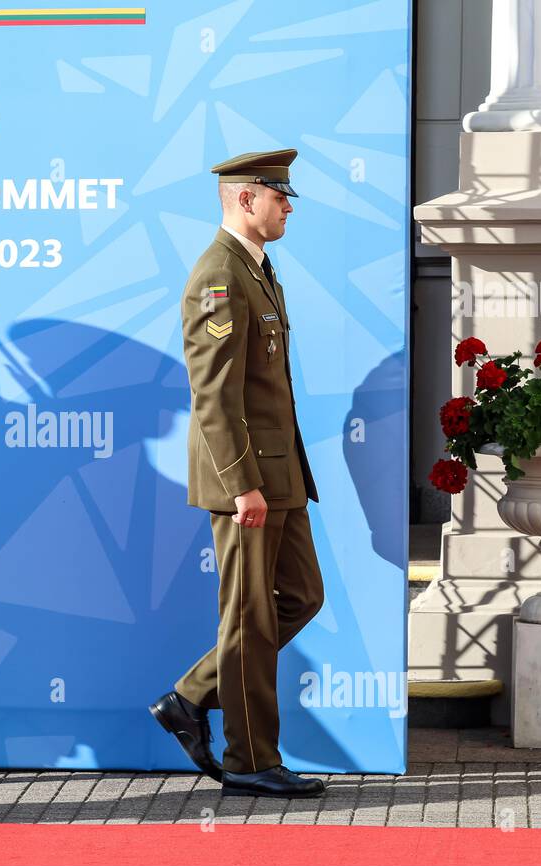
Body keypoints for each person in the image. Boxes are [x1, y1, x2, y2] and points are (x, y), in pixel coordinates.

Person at [149, 149, 327, 799]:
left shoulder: (258, 270)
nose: (288, 208)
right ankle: (250, 758)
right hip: (248, 478)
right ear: (247, 198)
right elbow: (215, 395)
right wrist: (240, 482)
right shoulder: (219, 277)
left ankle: (190, 697)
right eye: (280, 198)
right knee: (249, 620)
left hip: (279, 476)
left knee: (301, 597)